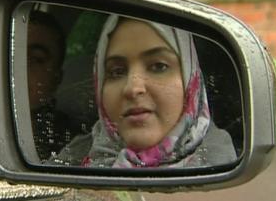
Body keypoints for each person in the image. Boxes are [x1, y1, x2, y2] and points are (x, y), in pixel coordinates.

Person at [54, 15, 236, 168]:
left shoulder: (221, 164)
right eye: (117, 72)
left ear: (191, 83)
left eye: (158, 66)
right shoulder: (72, 160)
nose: (133, 89)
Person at [27, 9, 73, 161]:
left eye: (36, 59)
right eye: (11, 53)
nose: (17, 65)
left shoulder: (70, 144)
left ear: (56, 79)